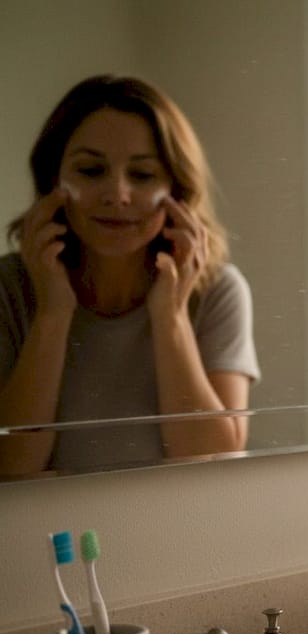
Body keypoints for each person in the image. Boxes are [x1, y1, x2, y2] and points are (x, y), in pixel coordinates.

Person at [0, 75, 259, 476]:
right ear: (53, 180)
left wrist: (170, 317)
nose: (117, 194)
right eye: (90, 170)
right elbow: (10, 464)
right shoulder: (9, 288)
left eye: (142, 175)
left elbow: (212, 466)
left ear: (177, 189)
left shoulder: (218, 291)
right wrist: (52, 312)